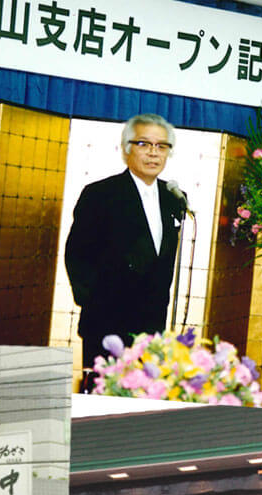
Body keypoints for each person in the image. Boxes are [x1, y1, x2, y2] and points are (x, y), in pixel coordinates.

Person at [65, 113, 188, 391]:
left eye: (161, 146)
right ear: (126, 149)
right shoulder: (100, 194)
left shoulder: (174, 198)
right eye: (144, 144)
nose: (153, 153)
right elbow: (77, 254)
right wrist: (95, 301)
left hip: (152, 328)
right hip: (107, 324)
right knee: (103, 398)